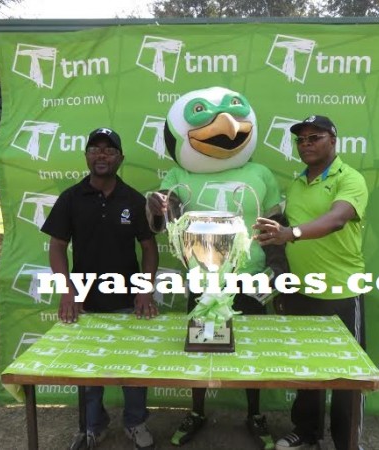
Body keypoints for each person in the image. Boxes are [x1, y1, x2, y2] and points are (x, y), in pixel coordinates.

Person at [146, 87, 287, 450]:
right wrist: (159, 205)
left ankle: (255, 414)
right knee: (200, 345)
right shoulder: (179, 173)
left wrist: (276, 270)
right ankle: (197, 411)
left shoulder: (261, 174)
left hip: (250, 278)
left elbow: (275, 223)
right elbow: (164, 220)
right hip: (201, 278)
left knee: (251, 348)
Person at [253, 115, 369, 450]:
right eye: (301, 140)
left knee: (347, 375)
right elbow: (284, 240)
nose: (306, 145)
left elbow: (336, 219)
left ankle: (347, 442)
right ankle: (307, 431)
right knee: (307, 368)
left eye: (314, 137)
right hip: (302, 292)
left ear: (333, 140)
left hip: (342, 291)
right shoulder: (297, 183)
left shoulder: (350, 179)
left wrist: (290, 233)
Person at [41, 127, 159, 450]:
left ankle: (136, 422)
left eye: (109, 149)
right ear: (87, 156)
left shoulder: (134, 200)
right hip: (85, 302)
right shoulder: (71, 198)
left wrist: (145, 290)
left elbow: (149, 248)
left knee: (132, 368)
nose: (102, 154)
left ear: (120, 158)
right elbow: (57, 247)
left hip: (126, 300)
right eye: (95, 148)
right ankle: (94, 425)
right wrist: (68, 290)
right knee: (88, 371)